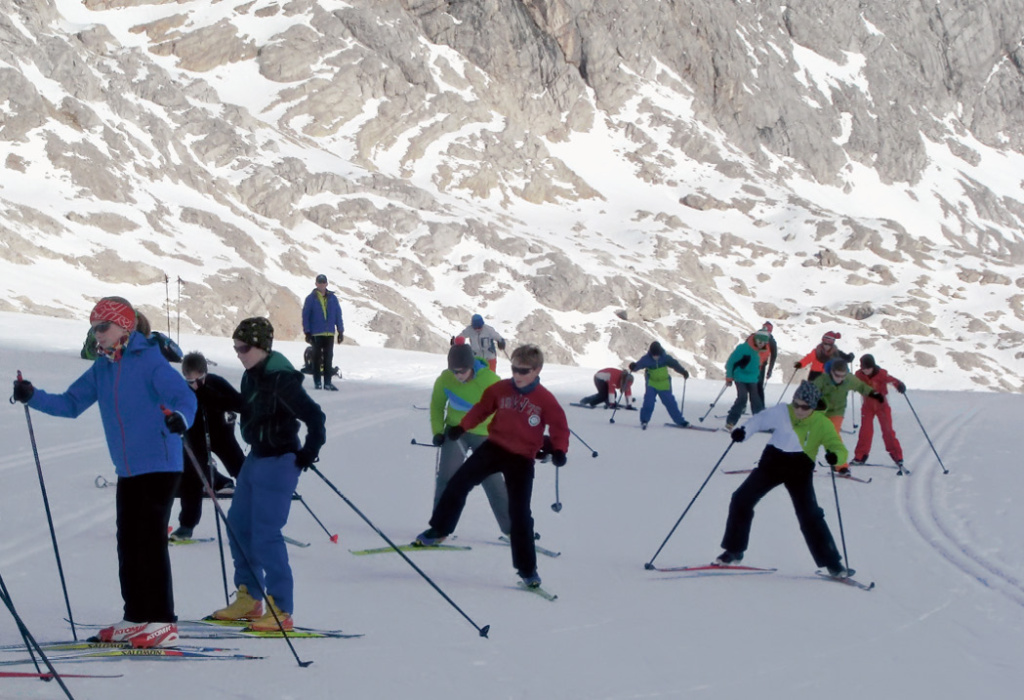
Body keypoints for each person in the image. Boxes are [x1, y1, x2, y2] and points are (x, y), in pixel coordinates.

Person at [12, 296, 196, 648]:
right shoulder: (104, 367)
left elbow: (183, 397)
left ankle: (162, 620)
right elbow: (71, 403)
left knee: (149, 542)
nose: (97, 335)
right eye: (94, 328)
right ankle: (136, 616)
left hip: (160, 463)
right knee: (128, 542)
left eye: (103, 327)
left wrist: (179, 417)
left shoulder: (150, 361)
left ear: (124, 326)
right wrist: (32, 395)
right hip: (128, 468)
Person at [416, 344, 569, 589]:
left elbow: (559, 427)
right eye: (514, 369)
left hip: (521, 458)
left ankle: (528, 571)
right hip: (494, 448)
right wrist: (462, 426)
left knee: (520, 514)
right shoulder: (500, 389)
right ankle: (439, 529)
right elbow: (481, 409)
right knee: (458, 483)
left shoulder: (545, 400)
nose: (517, 375)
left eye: (524, 370)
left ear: (537, 370)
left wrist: (560, 450)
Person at [209, 317, 326, 632]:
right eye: (235, 347)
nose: (238, 353)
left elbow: (315, 416)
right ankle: (250, 597)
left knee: (265, 533)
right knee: (239, 528)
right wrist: (213, 390)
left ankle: (281, 607)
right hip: (255, 459)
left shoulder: (281, 379)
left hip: (279, 461)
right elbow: (249, 408)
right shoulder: (252, 376)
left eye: (243, 347)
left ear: (261, 346)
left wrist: (308, 451)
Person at [715, 380, 852, 578]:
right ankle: (734, 551)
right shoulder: (782, 412)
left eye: (804, 407)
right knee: (741, 499)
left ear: (813, 407)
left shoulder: (822, 424)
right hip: (772, 463)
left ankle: (833, 564)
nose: (798, 409)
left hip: (800, 469)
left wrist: (835, 457)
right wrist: (743, 432)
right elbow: (759, 421)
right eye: (795, 403)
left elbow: (838, 448)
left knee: (810, 515)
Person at [429, 344, 511, 536]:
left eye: (462, 371)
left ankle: (513, 530)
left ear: (471, 365)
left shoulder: (490, 380)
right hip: (456, 432)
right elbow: (437, 406)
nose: (458, 375)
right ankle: (439, 528)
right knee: (447, 478)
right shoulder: (445, 379)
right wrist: (438, 431)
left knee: (493, 481)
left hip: (483, 433)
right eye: (454, 371)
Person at [171, 352, 245, 540]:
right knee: (192, 479)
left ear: (205, 373)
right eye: (189, 381)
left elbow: (239, 404)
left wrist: (208, 394)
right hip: (195, 438)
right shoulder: (180, 389)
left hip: (222, 434)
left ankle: (258, 515)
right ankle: (187, 525)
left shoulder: (216, 382)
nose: (194, 385)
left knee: (243, 471)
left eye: (199, 379)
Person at [811, 359, 883, 474]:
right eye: (837, 375)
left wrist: (873, 393)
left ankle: (841, 465)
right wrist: (815, 401)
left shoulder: (849, 379)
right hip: (820, 411)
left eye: (842, 376)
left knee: (833, 435)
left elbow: (861, 386)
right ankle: (805, 463)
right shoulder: (823, 379)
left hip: (837, 411)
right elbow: (811, 391)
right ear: (832, 372)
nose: (840, 378)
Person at [852, 354, 906, 468]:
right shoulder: (859, 375)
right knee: (865, 431)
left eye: (868, 368)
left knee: (888, 431)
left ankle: (897, 456)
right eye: (863, 368)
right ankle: (860, 456)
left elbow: (892, 380)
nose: (866, 371)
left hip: (882, 406)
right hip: (867, 406)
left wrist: (899, 385)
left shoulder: (881, 373)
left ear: (873, 366)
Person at [629, 341, 690, 429]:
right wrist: (633, 366)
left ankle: (681, 421)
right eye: (654, 354)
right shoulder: (646, 359)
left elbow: (675, 364)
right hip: (652, 384)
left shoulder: (665, 358)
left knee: (671, 403)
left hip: (664, 384)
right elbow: (638, 366)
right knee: (648, 402)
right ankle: (644, 420)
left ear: (660, 352)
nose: (655, 356)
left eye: (657, 354)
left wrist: (683, 372)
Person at [301, 274, 344, 391]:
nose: (321, 284)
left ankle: (328, 383)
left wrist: (340, 331)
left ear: (326, 284)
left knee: (328, 358)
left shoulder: (333, 299)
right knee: (316, 358)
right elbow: (306, 316)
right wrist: (307, 332)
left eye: (323, 282)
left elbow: (338, 315)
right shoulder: (311, 298)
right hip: (316, 333)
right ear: (316, 284)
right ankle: (317, 383)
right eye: (319, 282)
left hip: (329, 333)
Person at [724, 329, 769, 430]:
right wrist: (729, 377)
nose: (762, 344)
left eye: (764, 343)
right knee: (742, 398)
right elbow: (730, 362)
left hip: (753, 378)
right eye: (760, 342)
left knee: (756, 399)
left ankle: (761, 423)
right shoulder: (743, 348)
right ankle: (730, 422)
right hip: (740, 376)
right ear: (756, 340)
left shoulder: (764, 350)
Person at [753, 322, 777, 405]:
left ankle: (742, 405)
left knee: (748, 385)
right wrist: (770, 370)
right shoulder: (771, 340)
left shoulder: (754, 336)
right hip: (761, 366)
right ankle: (761, 407)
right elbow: (773, 356)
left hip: (750, 364)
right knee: (759, 386)